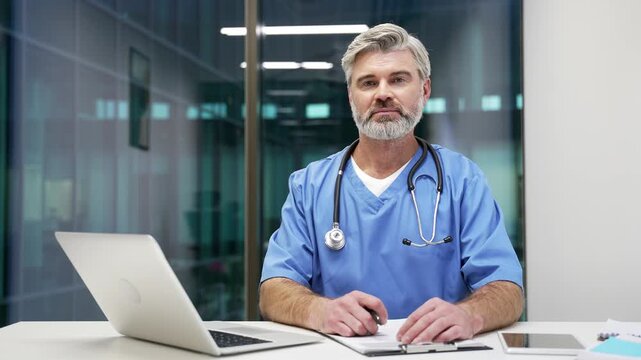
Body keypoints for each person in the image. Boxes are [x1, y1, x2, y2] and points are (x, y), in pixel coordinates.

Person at [259, 23, 524, 345]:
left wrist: (470, 315)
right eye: (368, 82)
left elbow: (507, 290)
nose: (383, 93)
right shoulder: (310, 185)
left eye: (398, 79)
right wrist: (318, 310)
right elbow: (273, 290)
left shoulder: (461, 180)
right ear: (351, 96)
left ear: (424, 90)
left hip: (437, 351)